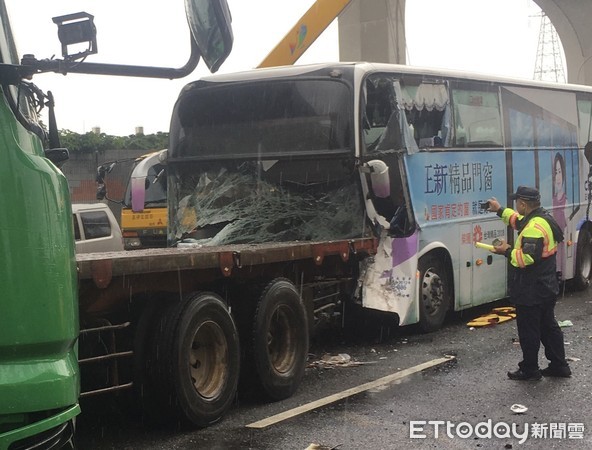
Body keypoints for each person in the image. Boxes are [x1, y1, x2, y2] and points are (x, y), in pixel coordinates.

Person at [486, 186, 571, 381]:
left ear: (523, 204)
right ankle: (559, 365)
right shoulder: (541, 218)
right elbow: (518, 221)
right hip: (546, 286)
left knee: (529, 330)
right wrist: (499, 210)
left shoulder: (534, 227)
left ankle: (530, 369)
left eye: (517, 203)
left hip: (532, 290)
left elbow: (527, 258)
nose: (516, 206)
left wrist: (506, 251)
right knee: (548, 327)